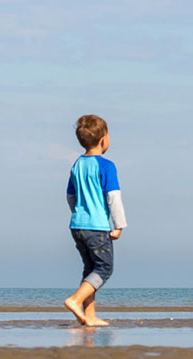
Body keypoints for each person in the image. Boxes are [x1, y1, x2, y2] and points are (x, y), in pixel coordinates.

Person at [63, 114, 127, 327]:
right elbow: (113, 197)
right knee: (104, 269)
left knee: (90, 269)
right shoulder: (106, 166)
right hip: (97, 227)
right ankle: (75, 300)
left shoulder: (77, 165)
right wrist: (118, 225)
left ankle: (90, 315)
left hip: (77, 225)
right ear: (103, 140)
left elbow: (70, 196)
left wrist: (79, 214)